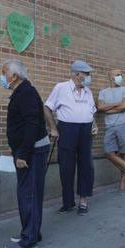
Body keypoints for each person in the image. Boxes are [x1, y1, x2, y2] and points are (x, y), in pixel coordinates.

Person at [2, 59, 51, 248]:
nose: (3, 76)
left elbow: (32, 124)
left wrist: (22, 153)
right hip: (28, 150)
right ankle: (31, 232)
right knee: (29, 193)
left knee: (28, 194)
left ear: (14, 76)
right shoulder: (23, 92)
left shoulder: (27, 93)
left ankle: (28, 240)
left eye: (4, 72)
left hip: (32, 153)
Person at [45, 60, 97, 214]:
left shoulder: (88, 91)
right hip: (67, 129)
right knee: (66, 166)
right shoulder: (61, 88)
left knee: (86, 165)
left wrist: (94, 125)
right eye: (86, 74)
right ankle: (68, 202)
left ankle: (83, 201)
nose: (88, 77)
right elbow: (47, 108)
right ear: (76, 74)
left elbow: (91, 111)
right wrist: (53, 128)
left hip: (85, 130)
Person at [98, 68, 125, 193]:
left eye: (121, 75)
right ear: (111, 77)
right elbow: (100, 107)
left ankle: (123, 182)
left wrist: (109, 109)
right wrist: (117, 104)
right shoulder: (103, 92)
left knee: (124, 154)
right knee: (108, 152)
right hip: (110, 126)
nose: (120, 77)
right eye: (118, 75)